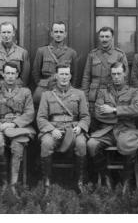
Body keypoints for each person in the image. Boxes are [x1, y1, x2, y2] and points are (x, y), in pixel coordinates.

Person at [88, 62, 138, 194]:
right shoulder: (103, 92)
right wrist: (124, 114)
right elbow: (98, 113)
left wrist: (113, 110)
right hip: (107, 130)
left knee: (127, 143)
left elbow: (137, 110)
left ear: (125, 74)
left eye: (119, 73)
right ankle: (107, 178)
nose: (116, 77)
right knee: (91, 144)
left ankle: (126, 181)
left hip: (127, 129)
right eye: (114, 74)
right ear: (110, 75)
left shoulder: (133, 91)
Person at [0, 62, 35, 198]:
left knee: (17, 145)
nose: (10, 76)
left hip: (18, 128)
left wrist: (14, 124)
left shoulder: (25, 92)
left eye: (13, 73)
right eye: (8, 73)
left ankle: (13, 185)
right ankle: (3, 183)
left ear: (17, 75)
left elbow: (29, 113)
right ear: (3, 74)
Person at [37, 63, 90, 195]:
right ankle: (47, 183)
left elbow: (85, 116)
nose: (64, 77)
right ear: (56, 76)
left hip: (73, 130)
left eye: (67, 74)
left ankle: (79, 182)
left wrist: (80, 127)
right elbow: (41, 118)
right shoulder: (47, 95)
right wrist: (51, 130)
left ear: (70, 76)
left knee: (81, 143)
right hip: (54, 130)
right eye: (61, 74)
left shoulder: (79, 94)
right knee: (46, 143)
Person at [81, 27, 128, 118]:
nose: (104, 39)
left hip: (111, 94)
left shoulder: (119, 54)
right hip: (94, 95)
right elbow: (86, 77)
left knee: (111, 120)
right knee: (93, 121)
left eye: (107, 36)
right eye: (102, 36)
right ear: (99, 38)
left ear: (112, 37)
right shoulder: (92, 54)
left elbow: (125, 78)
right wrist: (85, 98)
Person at [32, 21, 78, 106]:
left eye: (61, 32)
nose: (58, 34)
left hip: (64, 89)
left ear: (65, 34)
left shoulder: (71, 53)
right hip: (46, 88)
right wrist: (42, 84)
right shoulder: (42, 51)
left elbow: (74, 75)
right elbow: (35, 72)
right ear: (51, 34)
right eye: (56, 32)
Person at [0, 21, 30, 88]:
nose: (6, 35)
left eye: (9, 32)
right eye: (3, 32)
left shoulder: (22, 52)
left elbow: (25, 77)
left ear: (13, 33)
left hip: (17, 89)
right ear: (0, 33)